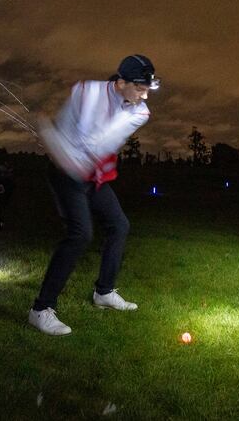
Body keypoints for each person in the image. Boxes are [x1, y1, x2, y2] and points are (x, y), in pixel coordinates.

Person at [29, 54, 160, 335]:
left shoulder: (140, 112)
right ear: (120, 82)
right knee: (80, 235)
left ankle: (104, 292)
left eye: (148, 87)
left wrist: (51, 137)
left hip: (89, 173)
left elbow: (100, 141)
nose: (145, 94)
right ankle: (41, 309)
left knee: (119, 225)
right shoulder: (86, 92)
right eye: (140, 87)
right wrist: (55, 140)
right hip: (65, 173)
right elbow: (76, 133)